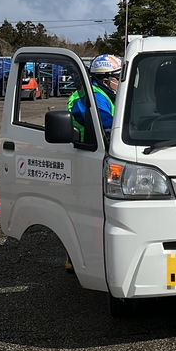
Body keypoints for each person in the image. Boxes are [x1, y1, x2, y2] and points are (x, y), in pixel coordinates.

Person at [64, 53, 120, 274]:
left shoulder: (103, 93)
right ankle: (79, 261)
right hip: (86, 156)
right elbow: (105, 122)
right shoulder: (91, 96)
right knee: (89, 212)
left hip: (96, 154)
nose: (120, 81)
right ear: (105, 79)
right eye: (117, 76)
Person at [67, 54, 121, 141]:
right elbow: (108, 126)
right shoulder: (94, 97)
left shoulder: (103, 93)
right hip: (86, 149)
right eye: (119, 78)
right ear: (105, 81)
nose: (122, 82)